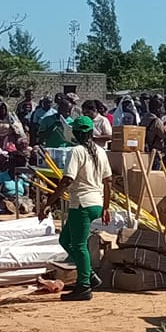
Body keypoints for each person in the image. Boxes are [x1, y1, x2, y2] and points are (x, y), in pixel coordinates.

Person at [46, 116, 111, 300]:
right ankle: (88, 274)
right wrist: (106, 207)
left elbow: (67, 179)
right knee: (65, 239)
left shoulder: (76, 151)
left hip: (81, 204)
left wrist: (49, 203)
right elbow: (108, 181)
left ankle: (83, 287)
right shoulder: (100, 151)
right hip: (96, 203)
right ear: (91, 132)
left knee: (79, 245)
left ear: (75, 133)